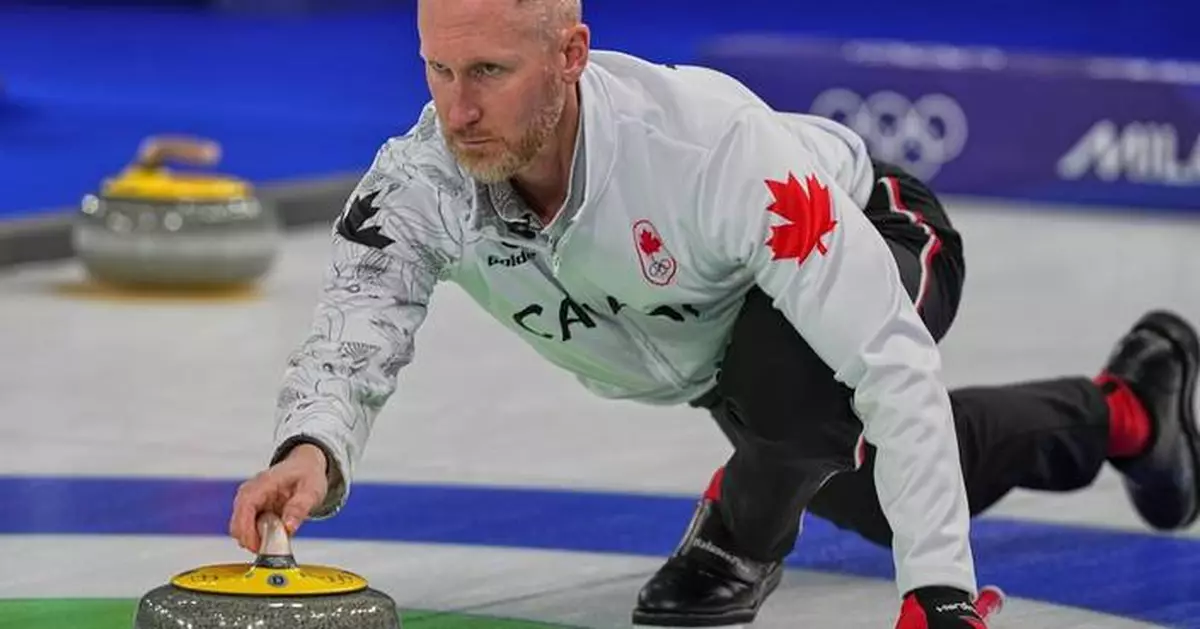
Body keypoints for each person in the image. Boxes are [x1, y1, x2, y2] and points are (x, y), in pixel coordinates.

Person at [227, 0, 1200, 627]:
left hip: (882, 232)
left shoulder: (709, 151)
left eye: (487, 73)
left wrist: (938, 589)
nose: (457, 109)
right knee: (857, 485)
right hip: (725, 348)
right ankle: (1129, 407)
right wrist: (311, 443)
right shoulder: (421, 179)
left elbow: (886, 360)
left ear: (571, 55)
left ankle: (732, 538)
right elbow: (360, 318)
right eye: (437, 71)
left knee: (809, 398)